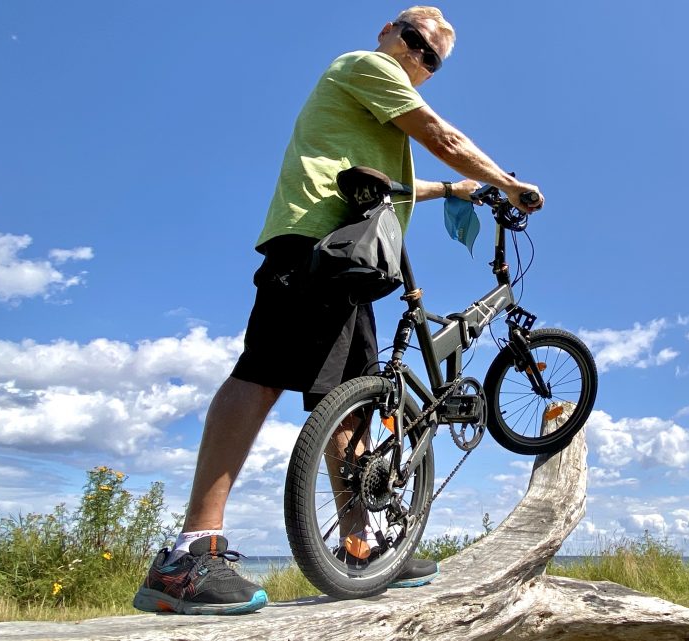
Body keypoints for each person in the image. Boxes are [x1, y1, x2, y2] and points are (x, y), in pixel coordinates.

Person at [132, 6, 543, 615]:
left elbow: (396, 185)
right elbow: (444, 138)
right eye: (414, 40)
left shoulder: (375, 114)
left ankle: (360, 545)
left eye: (431, 58)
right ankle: (188, 555)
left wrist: (452, 190)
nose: (418, 57)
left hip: (352, 257)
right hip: (315, 242)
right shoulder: (367, 66)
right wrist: (507, 184)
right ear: (387, 32)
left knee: (349, 400)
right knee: (263, 372)